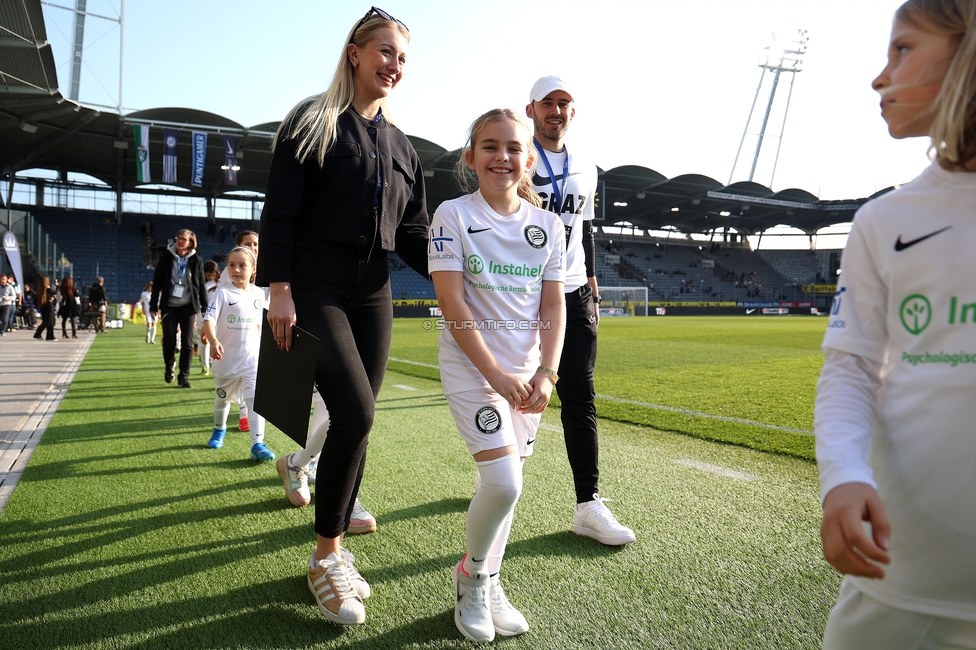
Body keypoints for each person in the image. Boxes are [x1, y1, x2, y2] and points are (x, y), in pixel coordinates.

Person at [256, 6, 428, 626]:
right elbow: (279, 210)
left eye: (403, 57)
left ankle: (334, 499)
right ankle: (327, 556)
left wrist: (468, 267)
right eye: (385, 51)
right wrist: (279, 287)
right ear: (354, 53)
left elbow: (413, 234)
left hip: (374, 289)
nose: (394, 65)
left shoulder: (404, 146)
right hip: (314, 282)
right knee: (354, 410)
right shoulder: (313, 120)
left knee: (359, 419)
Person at [816, 1, 976, 647]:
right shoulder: (885, 221)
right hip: (899, 575)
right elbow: (851, 368)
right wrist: (843, 476)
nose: (880, 78)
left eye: (903, 50)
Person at [430, 108, 566, 642]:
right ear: (471, 157)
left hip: (528, 377)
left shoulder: (549, 226)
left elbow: (552, 307)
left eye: (513, 148)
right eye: (489, 146)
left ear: (529, 159)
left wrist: (547, 374)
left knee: (512, 485)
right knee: (504, 483)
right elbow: (452, 302)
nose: (502, 157)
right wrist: (496, 374)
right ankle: (471, 576)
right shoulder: (453, 215)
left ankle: (491, 579)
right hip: (474, 371)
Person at [526, 75, 635, 545]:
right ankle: (496, 477)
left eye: (564, 103)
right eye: (547, 103)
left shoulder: (586, 166)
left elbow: (583, 227)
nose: (556, 110)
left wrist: (590, 280)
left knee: (580, 396)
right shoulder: (517, 155)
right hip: (519, 293)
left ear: (574, 112)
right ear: (530, 110)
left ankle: (588, 503)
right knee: (511, 394)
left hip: (570, 292)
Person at [201, 246, 275, 462]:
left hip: (252, 360)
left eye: (242, 265)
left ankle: (257, 444)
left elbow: (263, 326)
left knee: (255, 401)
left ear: (253, 270)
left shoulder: (260, 295)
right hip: (226, 360)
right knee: (222, 400)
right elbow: (209, 320)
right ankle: (219, 429)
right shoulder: (221, 293)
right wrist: (214, 341)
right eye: (232, 265)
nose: (236, 269)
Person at [150, 229, 209, 389]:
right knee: (169, 341)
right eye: (179, 238)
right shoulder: (166, 258)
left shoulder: (196, 260)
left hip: (188, 307)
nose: (180, 241)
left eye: (184, 239)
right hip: (169, 305)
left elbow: (201, 285)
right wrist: (153, 304)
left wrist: (205, 306)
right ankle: (169, 365)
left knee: (188, 343)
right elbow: (157, 281)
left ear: (191, 242)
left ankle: (183, 376)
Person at [200, 260, 220, 376]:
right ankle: (205, 365)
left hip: (219, 316)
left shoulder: (222, 284)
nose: (211, 277)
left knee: (217, 339)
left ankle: (213, 361)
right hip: (205, 315)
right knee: (204, 338)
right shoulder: (201, 285)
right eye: (208, 275)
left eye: (213, 275)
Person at [33, 276, 56, 341]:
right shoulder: (48, 289)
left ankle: (37, 333)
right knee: (50, 322)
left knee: (45, 322)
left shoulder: (39, 289)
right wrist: (57, 286)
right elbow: (54, 293)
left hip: (43, 307)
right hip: (49, 306)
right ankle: (50, 336)